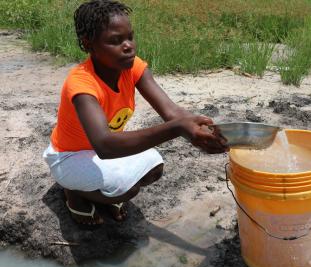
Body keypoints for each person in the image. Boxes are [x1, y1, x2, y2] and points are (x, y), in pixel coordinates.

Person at [43, 0, 227, 227]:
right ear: (88, 43)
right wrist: (179, 128)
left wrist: (198, 127)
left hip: (96, 153)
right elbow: (105, 145)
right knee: (125, 190)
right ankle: (73, 193)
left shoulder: (132, 67)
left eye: (130, 37)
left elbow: (171, 112)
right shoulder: (81, 84)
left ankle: (97, 190)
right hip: (68, 156)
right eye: (115, 41)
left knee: (154, 168)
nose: (128, 46)